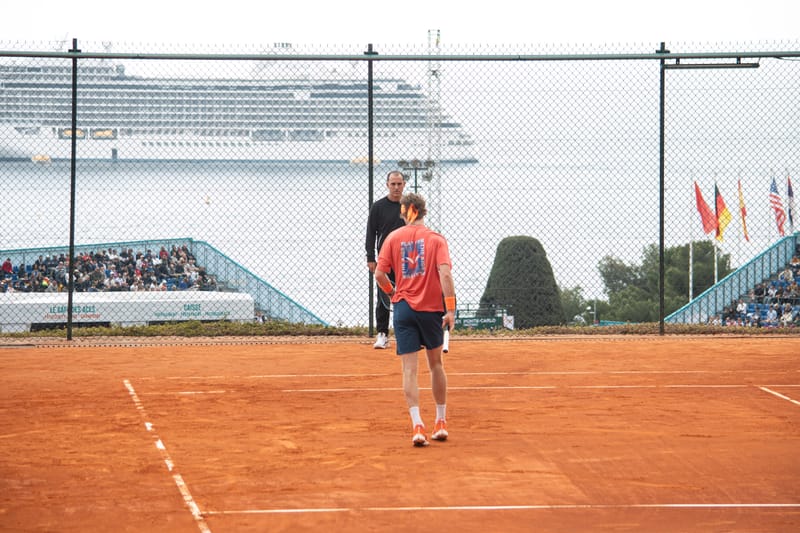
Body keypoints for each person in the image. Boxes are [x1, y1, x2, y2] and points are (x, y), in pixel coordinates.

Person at [374, 192, 456, 447]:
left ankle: (417, 425)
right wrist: (451, 310)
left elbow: (379, 274)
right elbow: (445, 275)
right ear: (422, 211)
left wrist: (393, 293)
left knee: (409, 369)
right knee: (436, 365)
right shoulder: (436, 239)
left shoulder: (393, 238)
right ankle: (440, 422)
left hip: (404, 309)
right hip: (431, 310)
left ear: (406, 212)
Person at [365, 170, 407, 349]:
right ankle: (382, 334)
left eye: (399, 184)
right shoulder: (378, 207)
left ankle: (408, 334)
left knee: (409, 297)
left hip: (407, 260)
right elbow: (370, 232)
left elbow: (418, 230)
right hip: (385, 260)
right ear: (387, 185)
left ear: (404, 185)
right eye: (393, 184)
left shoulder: (410, 206)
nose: (396, 187)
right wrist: (370, 257)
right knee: (383, 297)